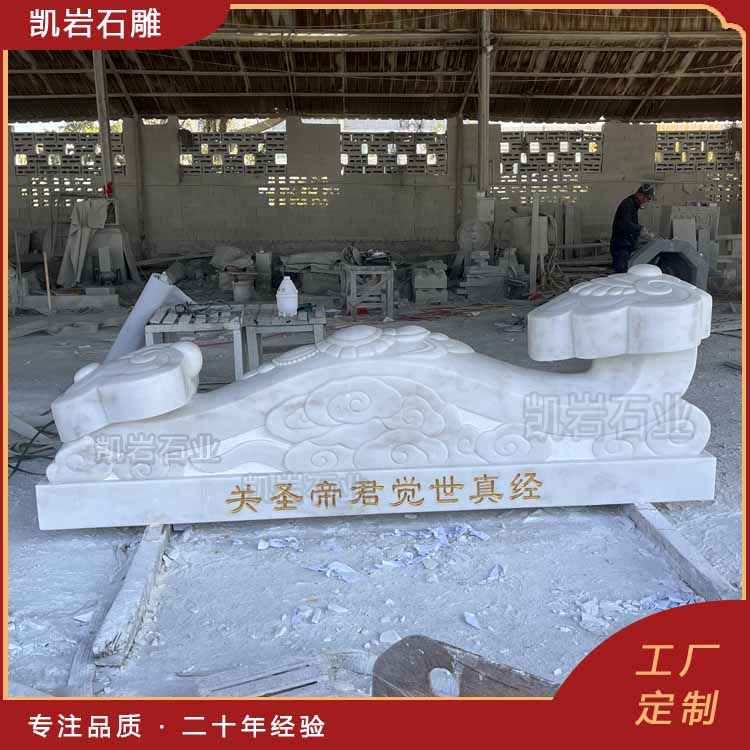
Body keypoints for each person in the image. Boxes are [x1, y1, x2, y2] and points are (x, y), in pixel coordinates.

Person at [609, 183, 656, 273]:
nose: (647, 201)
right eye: (648, 198)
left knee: (625, 272)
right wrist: (640, 229)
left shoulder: (633, 205)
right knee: (621, 274)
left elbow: (630, 224)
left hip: (625, 246)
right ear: (641, 195)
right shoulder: (627, 205)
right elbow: (624, 224)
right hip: (621, 247)